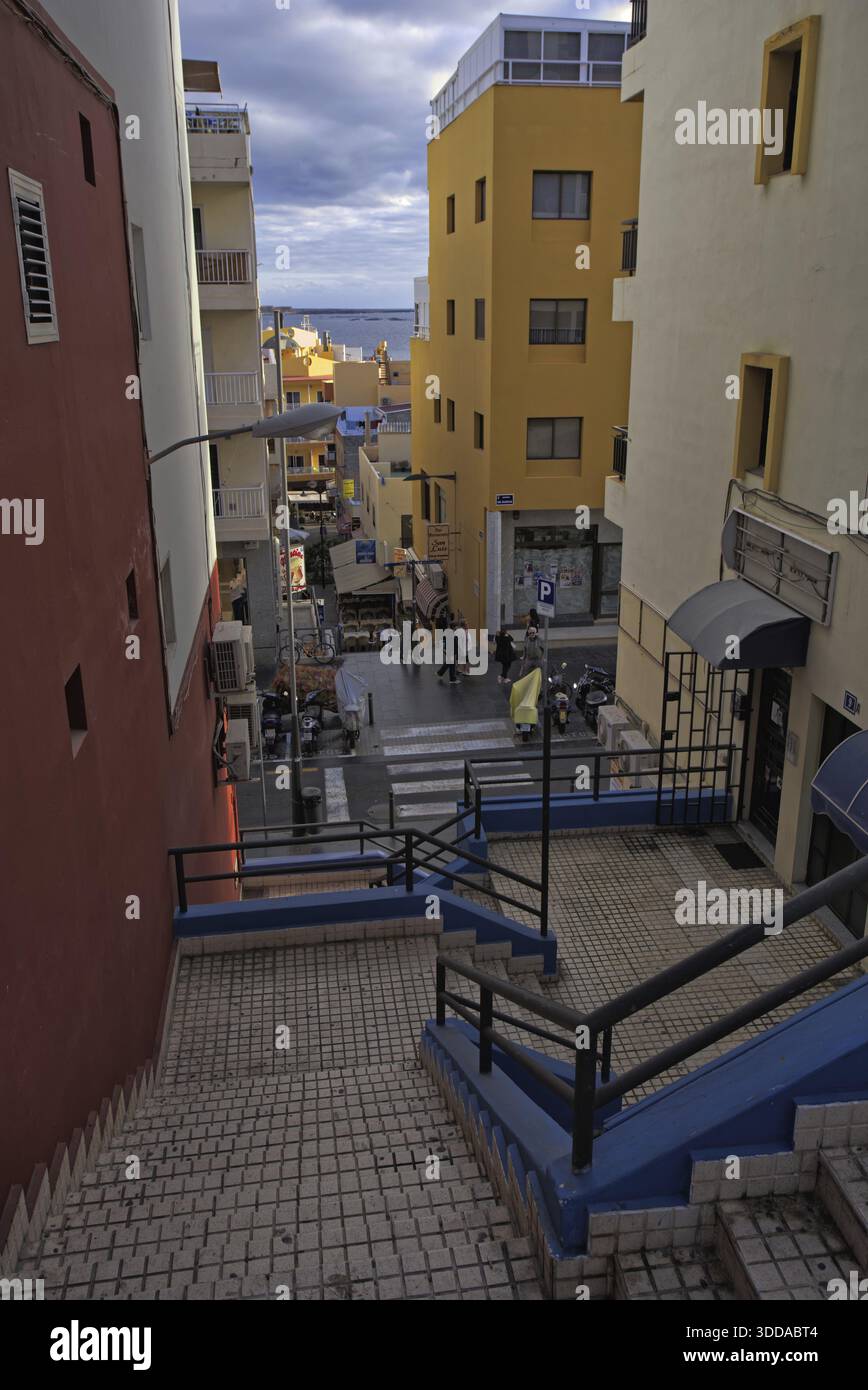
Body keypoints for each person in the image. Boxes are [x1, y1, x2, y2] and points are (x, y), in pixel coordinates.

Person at [436, 612, 461, 685]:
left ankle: (440, 673)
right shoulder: (452, 633)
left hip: (448, 650)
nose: (457, 628)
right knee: (452, 665)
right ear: (454, 627)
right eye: (457, 627)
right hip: (450, 650)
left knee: (448, 663)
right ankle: (452, 679)